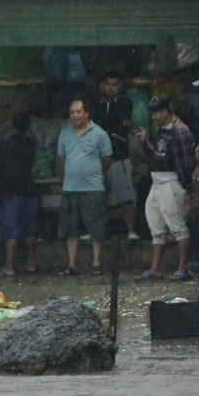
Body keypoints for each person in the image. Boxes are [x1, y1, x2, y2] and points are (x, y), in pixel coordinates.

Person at [135, 94, 196, 281]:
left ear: (165, 112)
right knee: (156, 226)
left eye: (156, 114)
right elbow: (154, 155)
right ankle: (155, 268)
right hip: (156, 182)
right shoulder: (161, 130)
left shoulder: (181, 130)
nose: (153, 118)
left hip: (171, 181)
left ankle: (183, 268)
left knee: (178, 227)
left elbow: (188, 162)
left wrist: (184, 186)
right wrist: (145, 141)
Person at [56, 98, 112, 276]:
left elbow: (107, 159)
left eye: (78, 112)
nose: (75, 115)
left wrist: (93, 174)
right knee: (70, 228)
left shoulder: (99, 134)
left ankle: (96, 263)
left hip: (93, 187)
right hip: (70, 188)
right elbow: (61, 158)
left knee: (96, 227)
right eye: (72, 112)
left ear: (87, 113)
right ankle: (72, 264)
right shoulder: (64, 133)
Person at [0, 112, 39, 276]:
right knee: (29, 229)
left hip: (11, 192)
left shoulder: (6, 144)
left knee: (11, 229)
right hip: (29, 190)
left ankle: (9, 265)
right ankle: (30, 262)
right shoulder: (31, 144)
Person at [95, 70, 140, 242]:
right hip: (99, 157)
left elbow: (121, 121)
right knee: (98, 197)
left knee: (126, 198)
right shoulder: (99, 102)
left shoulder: (125, 102)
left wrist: (111, 122)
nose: (111, 88)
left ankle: (131, 231)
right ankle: (96, 231)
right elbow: (102, 122)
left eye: (115, 85)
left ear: (120, 86)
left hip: (119, 156)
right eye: (108, 84)